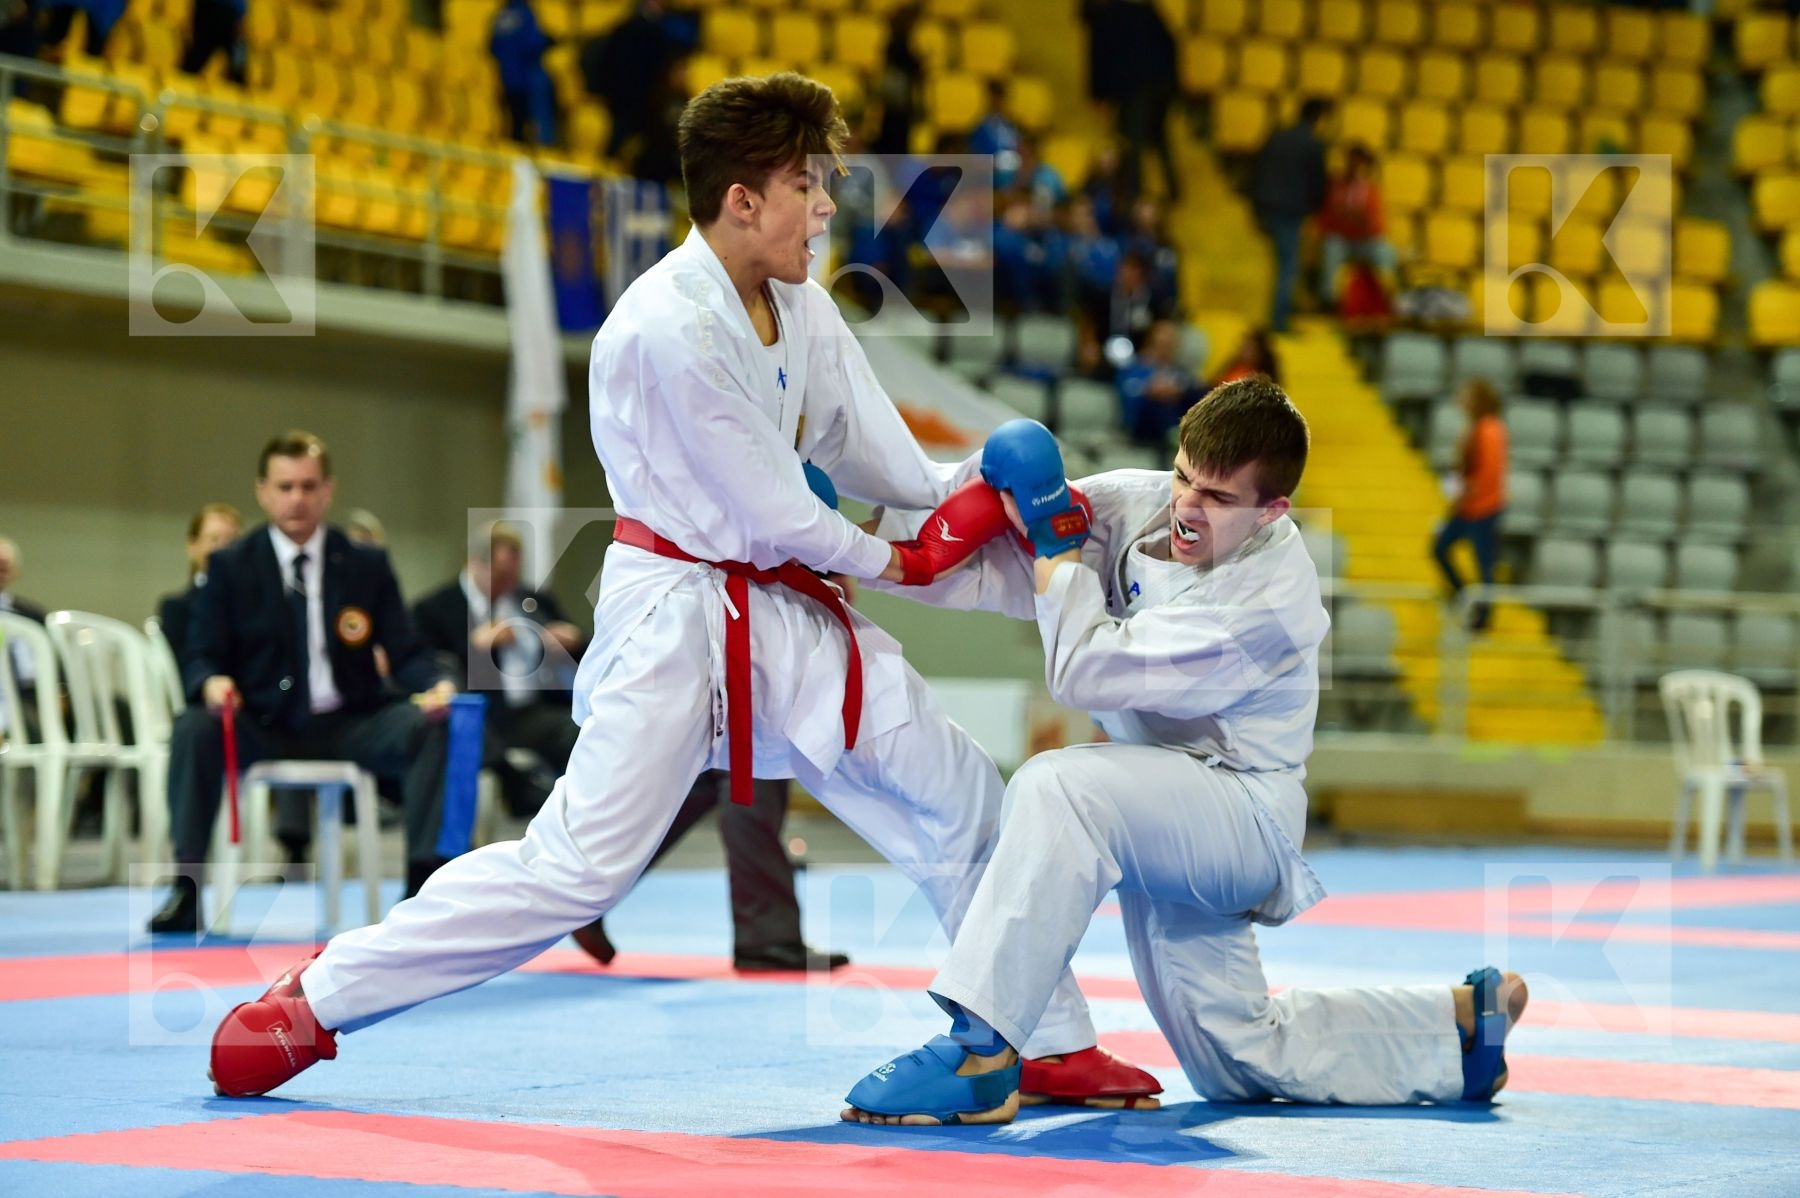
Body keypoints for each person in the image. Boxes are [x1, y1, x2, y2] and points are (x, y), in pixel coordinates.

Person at [206, 74, 1145, 1107]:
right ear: (743, 199)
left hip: (789, 615)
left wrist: (995, 487)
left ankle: (1039, 1036)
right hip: (676, 618)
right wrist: (905, 563)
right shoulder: (664, 326)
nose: (828, 208)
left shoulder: (805, 308)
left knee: (962, 792)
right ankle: (315, 998)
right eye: (806, 185)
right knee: (575, 872)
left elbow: (895, 473)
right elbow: (774, 512)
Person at [842, 382, 1529, 1125]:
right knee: (1236, 1058)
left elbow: (1082, 668)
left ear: (1272, 512)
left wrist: (1058, 554)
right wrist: (851, 537)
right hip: (1157, 803)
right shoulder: (1143, 504)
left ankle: (984, 1049)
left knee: (1058, 788)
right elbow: (1000, 555)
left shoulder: (1266, 604)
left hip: (1239, 816)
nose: (1188, 508)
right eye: (1184, 477)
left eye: (1219, 499)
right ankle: (1460, 1025)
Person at [148, 431, 460, 934]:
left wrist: (438, 685)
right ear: (263, 492)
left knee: (433, 727)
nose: (297, 498)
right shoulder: (230, 566)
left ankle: (421, 891)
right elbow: (201, 652)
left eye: (308, 486)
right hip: (263, 720)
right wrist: (212, 682)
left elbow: (407, 652)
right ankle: (186, 887)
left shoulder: (365, 563)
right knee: (193, 729)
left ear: (328, 491)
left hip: (350, 720)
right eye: (285, 486)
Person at [412, 523, 585, 819]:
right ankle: (521, 790)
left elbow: (580, 651)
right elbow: (427, 668)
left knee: (584, 731)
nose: (509, 583)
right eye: (501, 574)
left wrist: (572, 640)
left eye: (514, 574)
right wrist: (475, 648)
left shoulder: (532, 601)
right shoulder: (434, 610)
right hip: (482, 716)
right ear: (474, 563)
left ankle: (583, 816)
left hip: (533, 711)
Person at [1432, 380, 1508, 633]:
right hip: (1468, 507)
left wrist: (1466, 494)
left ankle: (1483, 615)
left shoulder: (1490, 429)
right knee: (1440, 548)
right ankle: (1467, 597)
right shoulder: (1476, 427)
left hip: (1482, 509)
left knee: (1483, 563)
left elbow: (1489, 473)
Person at [1250, 99, 1331, 334]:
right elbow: (1318, 183)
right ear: (1318, 118)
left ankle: (1277, 316)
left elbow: (1257, 169)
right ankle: (1279, 321)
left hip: (1267, 207)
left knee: (1280, 264)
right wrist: (1313, 209)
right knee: (1288, 266)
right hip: (1290, 211)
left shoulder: (1277, 136)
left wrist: (1257, 205)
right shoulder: (1313, 143)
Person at [157, 503, 244, 669]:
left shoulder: (256, 603)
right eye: (214, 539)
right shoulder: (177, 608)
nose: (224, 549)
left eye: (232, 540)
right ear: (192, 545)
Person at [1317, 144, 1395, 309]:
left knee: (1385, 250)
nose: (1355, 167)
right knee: (1331, 245)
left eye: (1360, 163)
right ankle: (1328, 298)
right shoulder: (1334, 185)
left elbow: (1377, 226)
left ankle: (1388, 297)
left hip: (1364, 241)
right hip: (1342, 240)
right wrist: (1347, 220)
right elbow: (1327, 220)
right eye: (1352, 162)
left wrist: (1360, 221)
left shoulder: (1371, 190)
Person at [1116, 319, 1202, 446]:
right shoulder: (1134, 369)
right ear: (1151, 343)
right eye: (1163, 344)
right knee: (1160, 407)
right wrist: (1151, 390)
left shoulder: (1179, 371)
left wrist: (1177, 391)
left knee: (1199, 395)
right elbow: (1129, 395)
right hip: (1143, 424)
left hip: (1176, 418)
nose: (1167, 349)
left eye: (1171, 345)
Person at [0, 534, 48, 741]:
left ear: (15, 573)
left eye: (4, 567)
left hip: (28, 695)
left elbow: (54, 659)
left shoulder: (33, 614)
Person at [490, 0, 555, 146]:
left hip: (503, 80)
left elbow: (492, 47)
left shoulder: (499, 16)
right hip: (524, 79)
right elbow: (533, 45)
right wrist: (549, 41)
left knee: (513, 124)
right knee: (528, 125)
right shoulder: (525, 13)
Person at [179, 0, 247, 86]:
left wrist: (241, 17)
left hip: (231, 17)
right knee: (198, 56)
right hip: (209, 11)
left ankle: (239, 91)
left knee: (237, 63)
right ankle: (182, 86)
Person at [1213, 327, 1281, 388]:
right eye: (1244, 346)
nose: (1243, 350)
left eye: (1249, 348)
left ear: (1259, 353)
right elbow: (1215, 382)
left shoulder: (1260, 378)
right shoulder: (1235, 364)